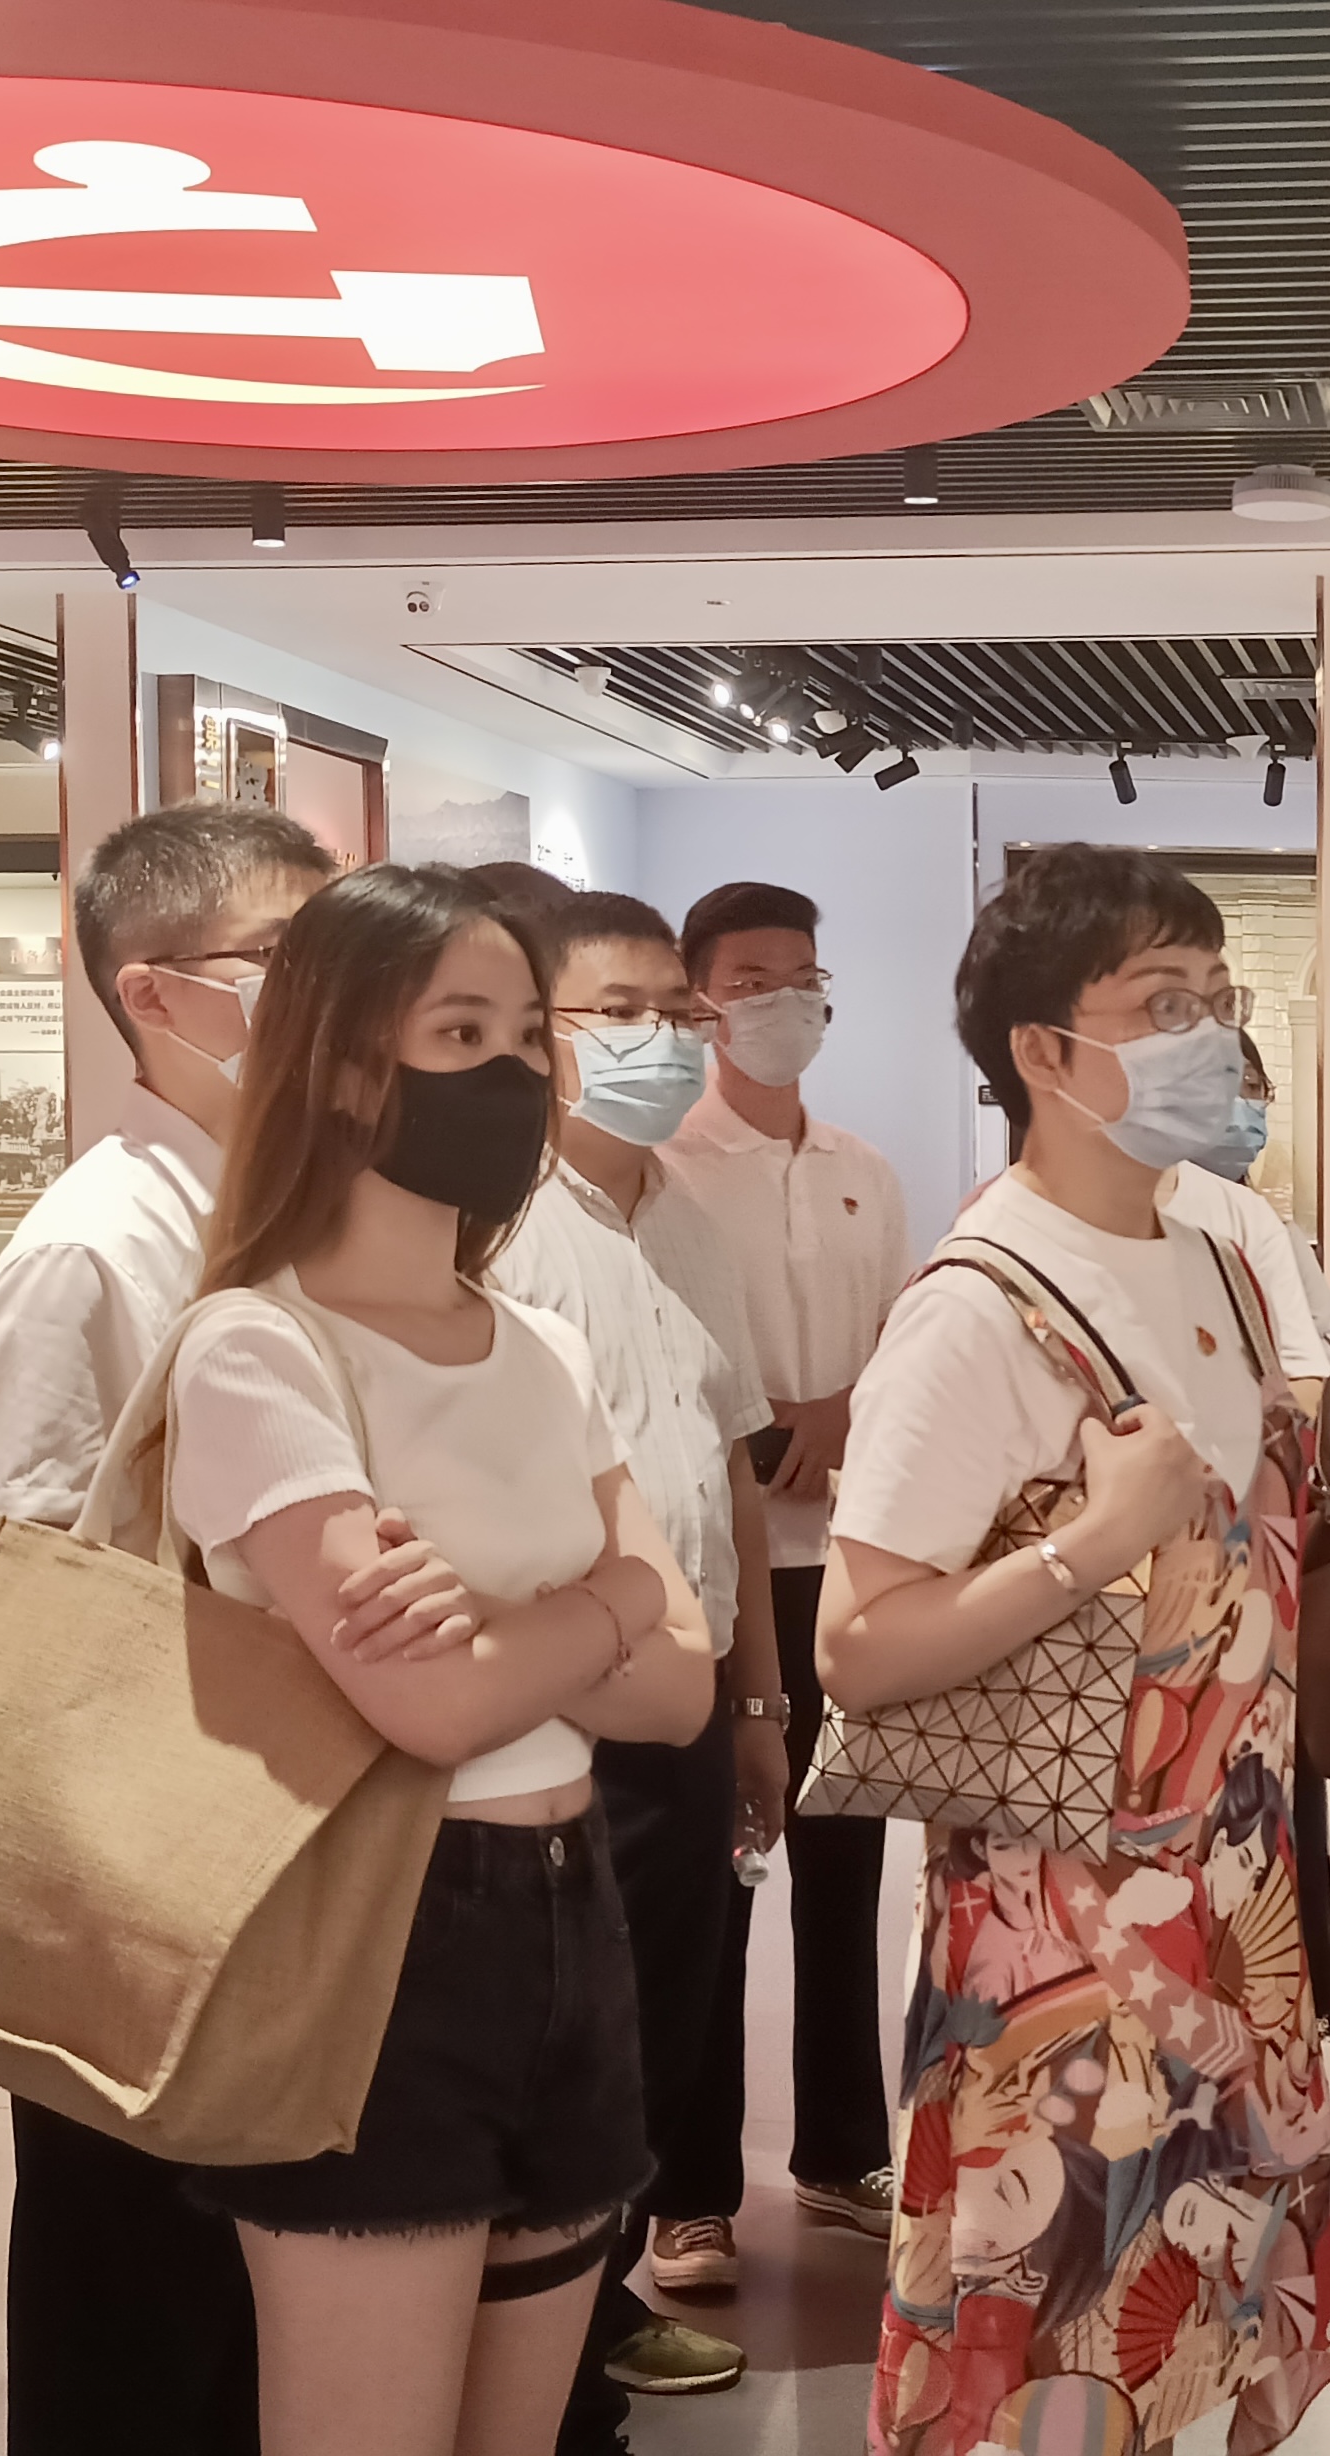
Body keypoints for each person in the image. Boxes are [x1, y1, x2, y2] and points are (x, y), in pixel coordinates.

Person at [156, 861, 714, 2456]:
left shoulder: (538, 1344)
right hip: (375, 1929)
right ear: (344, 1069)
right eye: (460, 1034)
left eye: (528, 1036)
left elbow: (680, 1684)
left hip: (571, 1911)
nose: (515, 1074)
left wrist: (518, 1615)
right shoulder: (257, 1347)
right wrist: (607, 1597)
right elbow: (432, 1704)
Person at [821, 845, 1330, 2456]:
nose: (1209, 1033)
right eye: (1160, 1003)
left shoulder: (1217, 1257)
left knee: (1189, 2330)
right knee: (1048, 2343)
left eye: (1216, 996)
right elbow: (859, 1645)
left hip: (1231, 1903)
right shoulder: (978, 1304)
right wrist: (1092, 1540)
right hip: (1057, 1937)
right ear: (1042, 1050)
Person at [0, 801, 334, 2456]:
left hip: (276, 1848)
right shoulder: (97, 1243)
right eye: (292, 957)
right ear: (156, 993)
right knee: (141, 2316)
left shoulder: (278, 1208)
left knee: (247, 2317)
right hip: (141, 1869)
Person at [486, 890, 782, 2423]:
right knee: (555, 2021)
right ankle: (547, 2331)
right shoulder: (497, 1229)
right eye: (619, 1012)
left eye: (677, 1011)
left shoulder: (690, 1222)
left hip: (689, 1685)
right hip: (555, 1700)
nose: (660, 1038)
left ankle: (607, 2294)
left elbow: (731, 1469)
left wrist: (757, 1699)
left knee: (664, 1999)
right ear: (537, 1034)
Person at [664, 880, 908, 2247]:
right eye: (752, 978)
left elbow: (905, 1337)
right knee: (712, 1882)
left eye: (801, 975)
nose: (782, 1001)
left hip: (845, 1565)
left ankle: (842, 2147)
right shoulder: (668, 1172)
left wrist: (844, 1411)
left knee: (844, 1869)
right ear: (700, 996)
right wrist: (773, 1427)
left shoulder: (862, 1167)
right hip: (719, 1567)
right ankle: (688, 2194)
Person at [1162, 1025, 1330, 1375]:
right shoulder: (1142, 1220)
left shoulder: (1265, 1224)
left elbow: (1326, 1351)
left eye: (1251, 1086)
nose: (1239, 1105)